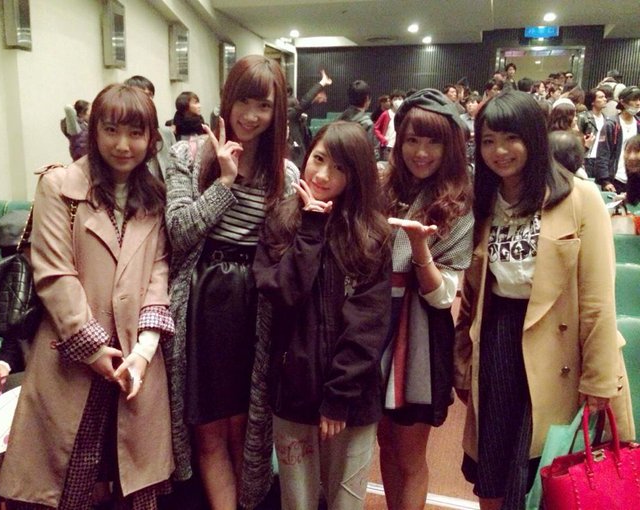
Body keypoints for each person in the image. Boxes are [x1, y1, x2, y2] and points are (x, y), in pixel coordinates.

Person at [0, 83, 176, 509]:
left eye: (135, 133)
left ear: (151, 138)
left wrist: (144, 351)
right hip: (73, 360)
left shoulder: (154, 198)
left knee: (133, 486)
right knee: (67, 484)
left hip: (133, 364)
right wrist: (93, 348)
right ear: (93, 131)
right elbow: (54, 273)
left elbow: (158, 273)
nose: (122, 145)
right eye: (111, 130)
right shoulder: (60, 187)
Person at [454, 91, 634, 510]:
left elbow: (598, 298)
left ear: (534, 138)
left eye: (511, 138)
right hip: (498, 340)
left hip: (559, 346)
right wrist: (462, 357)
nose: (499, 151)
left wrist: (600, 379)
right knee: (493, 467)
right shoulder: (484, 201)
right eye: (488, 140)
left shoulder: (579, 198)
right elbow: (474, 292)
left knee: (545, 471)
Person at [164, 55, 298, 510]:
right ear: (227, 99)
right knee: (207, 427)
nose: (251, 115)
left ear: (276, 112)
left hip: (255, 305)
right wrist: (224, 181)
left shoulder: (284, 174)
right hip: (202, 300)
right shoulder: (187, 155)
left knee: (246, 427)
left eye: (264, 105)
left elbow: (285, 251)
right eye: (244, 101)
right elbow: (179, 232)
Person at [253, 121, 392, 510]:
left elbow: (369, 324)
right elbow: (283, 292)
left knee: (346, 502)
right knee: (297, 501)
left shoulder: (371, 233)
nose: (323, 175)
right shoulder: (281, 220)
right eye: (318, 159)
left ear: (356, 175)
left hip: (352, 399)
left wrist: (338, 397)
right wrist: (311, 229)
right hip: (293, 391)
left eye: (339, 168)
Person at [377, 89, 474, 510]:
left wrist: (419, 248)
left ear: (449, 145)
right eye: (412, 140)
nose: (421, 152)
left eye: (433, 142)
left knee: (410, 455)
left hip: (418, 334)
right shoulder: (383, 186)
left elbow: (441, 298)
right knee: (384, 442)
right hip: (375, 321)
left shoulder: (459, 204)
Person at [124, 75, 177, 181]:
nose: (147, 100)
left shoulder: (165, 133)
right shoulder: (123, 135)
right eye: (141, 95)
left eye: (150, 95)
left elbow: (176, 167)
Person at [596, 86, 640, 193]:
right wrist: (605, 180)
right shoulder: (611, 125)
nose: (638, 103)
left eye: (639, 100)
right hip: (615, 179)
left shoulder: (638, 124)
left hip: (634, 179)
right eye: (634, 100)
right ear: (623, 102)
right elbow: (603, 153)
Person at [287, 69, 332, 168]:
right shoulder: (290, 116)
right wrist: (322, 82)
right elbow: (305, 102)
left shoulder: (298, 120)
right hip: (296, 163)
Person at [578, 87, 609, 177]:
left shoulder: (607, 119)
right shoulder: (583, 117)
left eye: (605, 97)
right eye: (601, 97)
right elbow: (577, 136)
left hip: (601, 159)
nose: (605, 99)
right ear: (592, 102)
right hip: (587, 157)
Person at [374, 89, 405, 162]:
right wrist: (383, 139)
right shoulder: (386, 114)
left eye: (400, 99)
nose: (398, 101)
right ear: (391, 101)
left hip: (399, 148)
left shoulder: (404, 115)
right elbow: (376, 128)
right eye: (395, 99)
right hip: (387, 147)